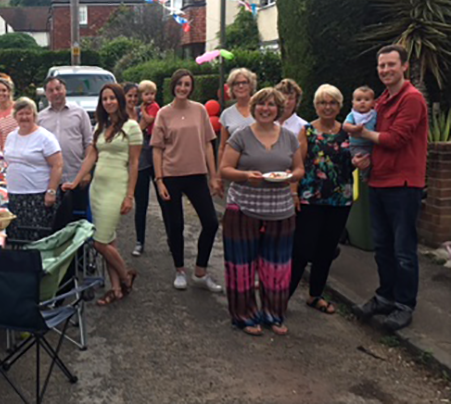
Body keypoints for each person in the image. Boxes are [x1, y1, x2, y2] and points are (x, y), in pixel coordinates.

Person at [348, 45, 428, 331]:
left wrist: (361, 133)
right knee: (382, 247)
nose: (385, 70)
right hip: (379, 180)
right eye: (381, 66)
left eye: (391, 65)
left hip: (404, 185)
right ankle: (385, 297)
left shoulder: (412, 99)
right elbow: (377, 142)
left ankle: (404, 305)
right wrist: (362, 157)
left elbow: (396, 139)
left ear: (404, 66)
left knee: (403, 249)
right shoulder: (381, 100)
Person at [219, 88, 305, 336]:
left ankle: (274, 315)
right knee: (241, 266)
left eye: (271, 105)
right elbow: (225, 169)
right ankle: (244, 316)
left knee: (277, 267)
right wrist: (245, 176)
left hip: (280, 210)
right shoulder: (240, 136)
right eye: (261, 104)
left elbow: (299, 169)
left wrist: (290, 177)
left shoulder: (289, 137)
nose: (266, 109)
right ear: (254, 108)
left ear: (279, 109)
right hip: (243, 208)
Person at [63, 84, 140, 306]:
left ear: (119, 100)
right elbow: (91, 158)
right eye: (105, 99)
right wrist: (76, 182)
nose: (108, 102)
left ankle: (126, 277)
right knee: (109, 239)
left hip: (117, 188)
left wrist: (129, 196)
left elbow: (134, 163)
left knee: (99, 242)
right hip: (97, 188)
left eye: (112, 98)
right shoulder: (101, 126)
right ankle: (115, 289)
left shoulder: (131, 127)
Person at [151, 70, 222, 291]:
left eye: (187, 84)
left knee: (211, 222)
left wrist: (214, 176)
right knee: (176, 226)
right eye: (180, 84)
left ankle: (200, 271)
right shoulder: (164, 113)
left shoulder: (200, 110)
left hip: (197, 175)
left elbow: (209, 144)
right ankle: (179, 269)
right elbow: (157, 149)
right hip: (171, 175)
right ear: (173, 86)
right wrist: (159, 180)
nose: (183, 88)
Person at [289, 84, 354, 314]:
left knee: (326, 249)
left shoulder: (348, 131)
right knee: (302, 249)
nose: (328, 107)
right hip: (310, 199)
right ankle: (283, 297)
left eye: (332, 103)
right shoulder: (306, 131)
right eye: (323, 103)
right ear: (316, 106)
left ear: (340, 106)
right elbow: (298, 164)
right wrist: (294, 192)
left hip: (340, 200)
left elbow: (355, 160)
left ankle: (315, 295)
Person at [4, 97, 63, 242]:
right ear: (15, 116)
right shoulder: (11, 136)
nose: (24, 117)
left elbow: (58, 165)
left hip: (37, 196)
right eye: (20, 114)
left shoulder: (45, 137)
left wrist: (51, 191)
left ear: (34, 116)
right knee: (16, 237)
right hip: (15, 196)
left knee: (35, 237)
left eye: (28, 113)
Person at [37, 76, 94, 216]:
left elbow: (89, 142)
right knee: (53, 221)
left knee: (77, 220)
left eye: (58, 88)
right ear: (46, 94)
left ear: (65, 90)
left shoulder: (80, 113)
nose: (55, 93)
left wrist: (86, 172)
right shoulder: (40, 118)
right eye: (51, 90)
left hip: (76, 176)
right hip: (49, 180)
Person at [124, 82, 164, 257]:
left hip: (154, 161)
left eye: (135, 96)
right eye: (129, 96)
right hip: (137, 165)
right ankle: (140, 241)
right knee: (142, 204)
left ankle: (172, 239)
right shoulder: (120, 116)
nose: (133, 99)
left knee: (165, 201)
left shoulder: (145, 110)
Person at [218, 68, 258, 164]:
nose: (240, 86)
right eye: (236, 83)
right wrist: (219, 174)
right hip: (236, 168)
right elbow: (223, 147)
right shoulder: (226, 114)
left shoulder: (261, 109)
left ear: (251, 85)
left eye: (244, 82)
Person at [343, 85, 378, 181]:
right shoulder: (353, 115)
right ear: (353, 103)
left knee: (375, 160)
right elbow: (345, 126)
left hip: (372, 144)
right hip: (357, 145)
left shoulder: (374, 114)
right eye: (358, 100)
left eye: (367, 99)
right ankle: (364, 178)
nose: (362, 102)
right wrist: (355, 128)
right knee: (363, 159)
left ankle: (371, 177)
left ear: (373, 103)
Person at [0, 77, 19, 150]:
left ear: (9, 92)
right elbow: (1, 142)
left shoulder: (19, 107)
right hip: (9, 153)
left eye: (4, 90)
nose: (1, 93)